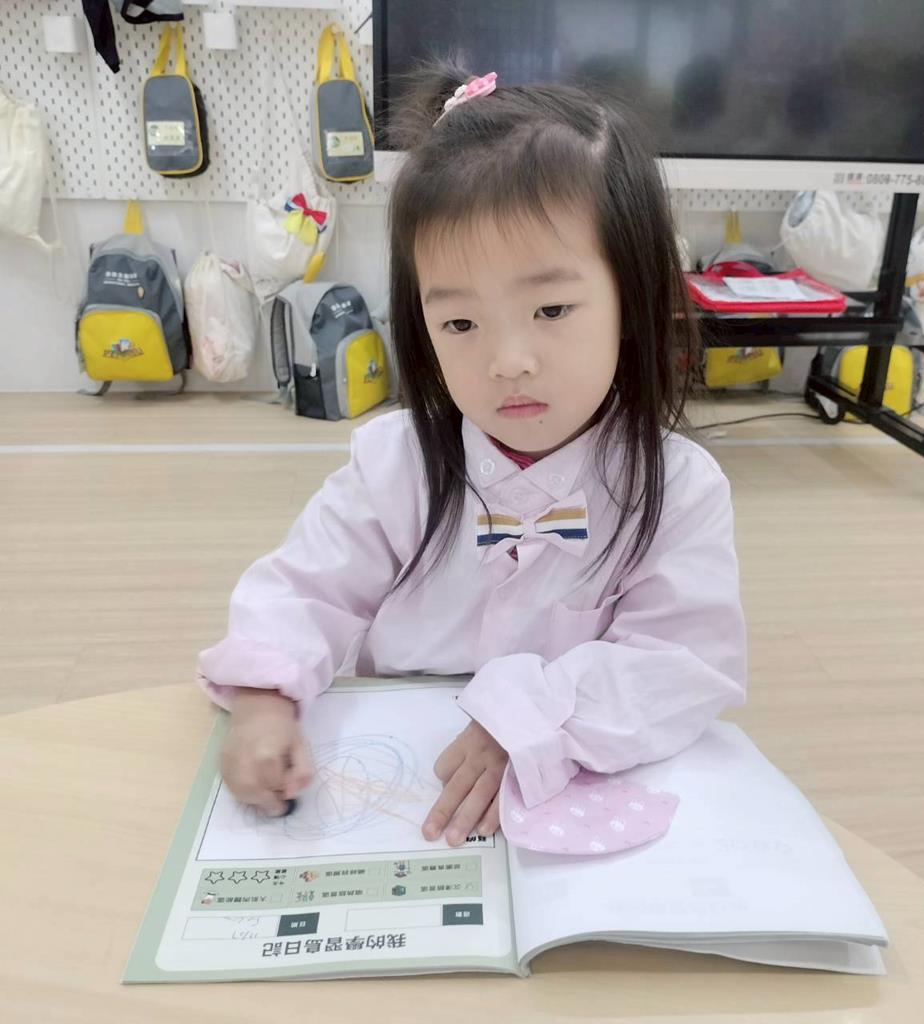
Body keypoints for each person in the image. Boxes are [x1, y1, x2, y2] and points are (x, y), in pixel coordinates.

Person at [198, 61, 747, 848]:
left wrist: (530, 718)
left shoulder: (679, 490)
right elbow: (304, 587)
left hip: (570, 784)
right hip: (396, 784)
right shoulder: (394, 463)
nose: (507, 361)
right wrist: (264, 698)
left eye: (550, 309)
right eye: (460, 324)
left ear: (632, 298)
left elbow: (681, 666)